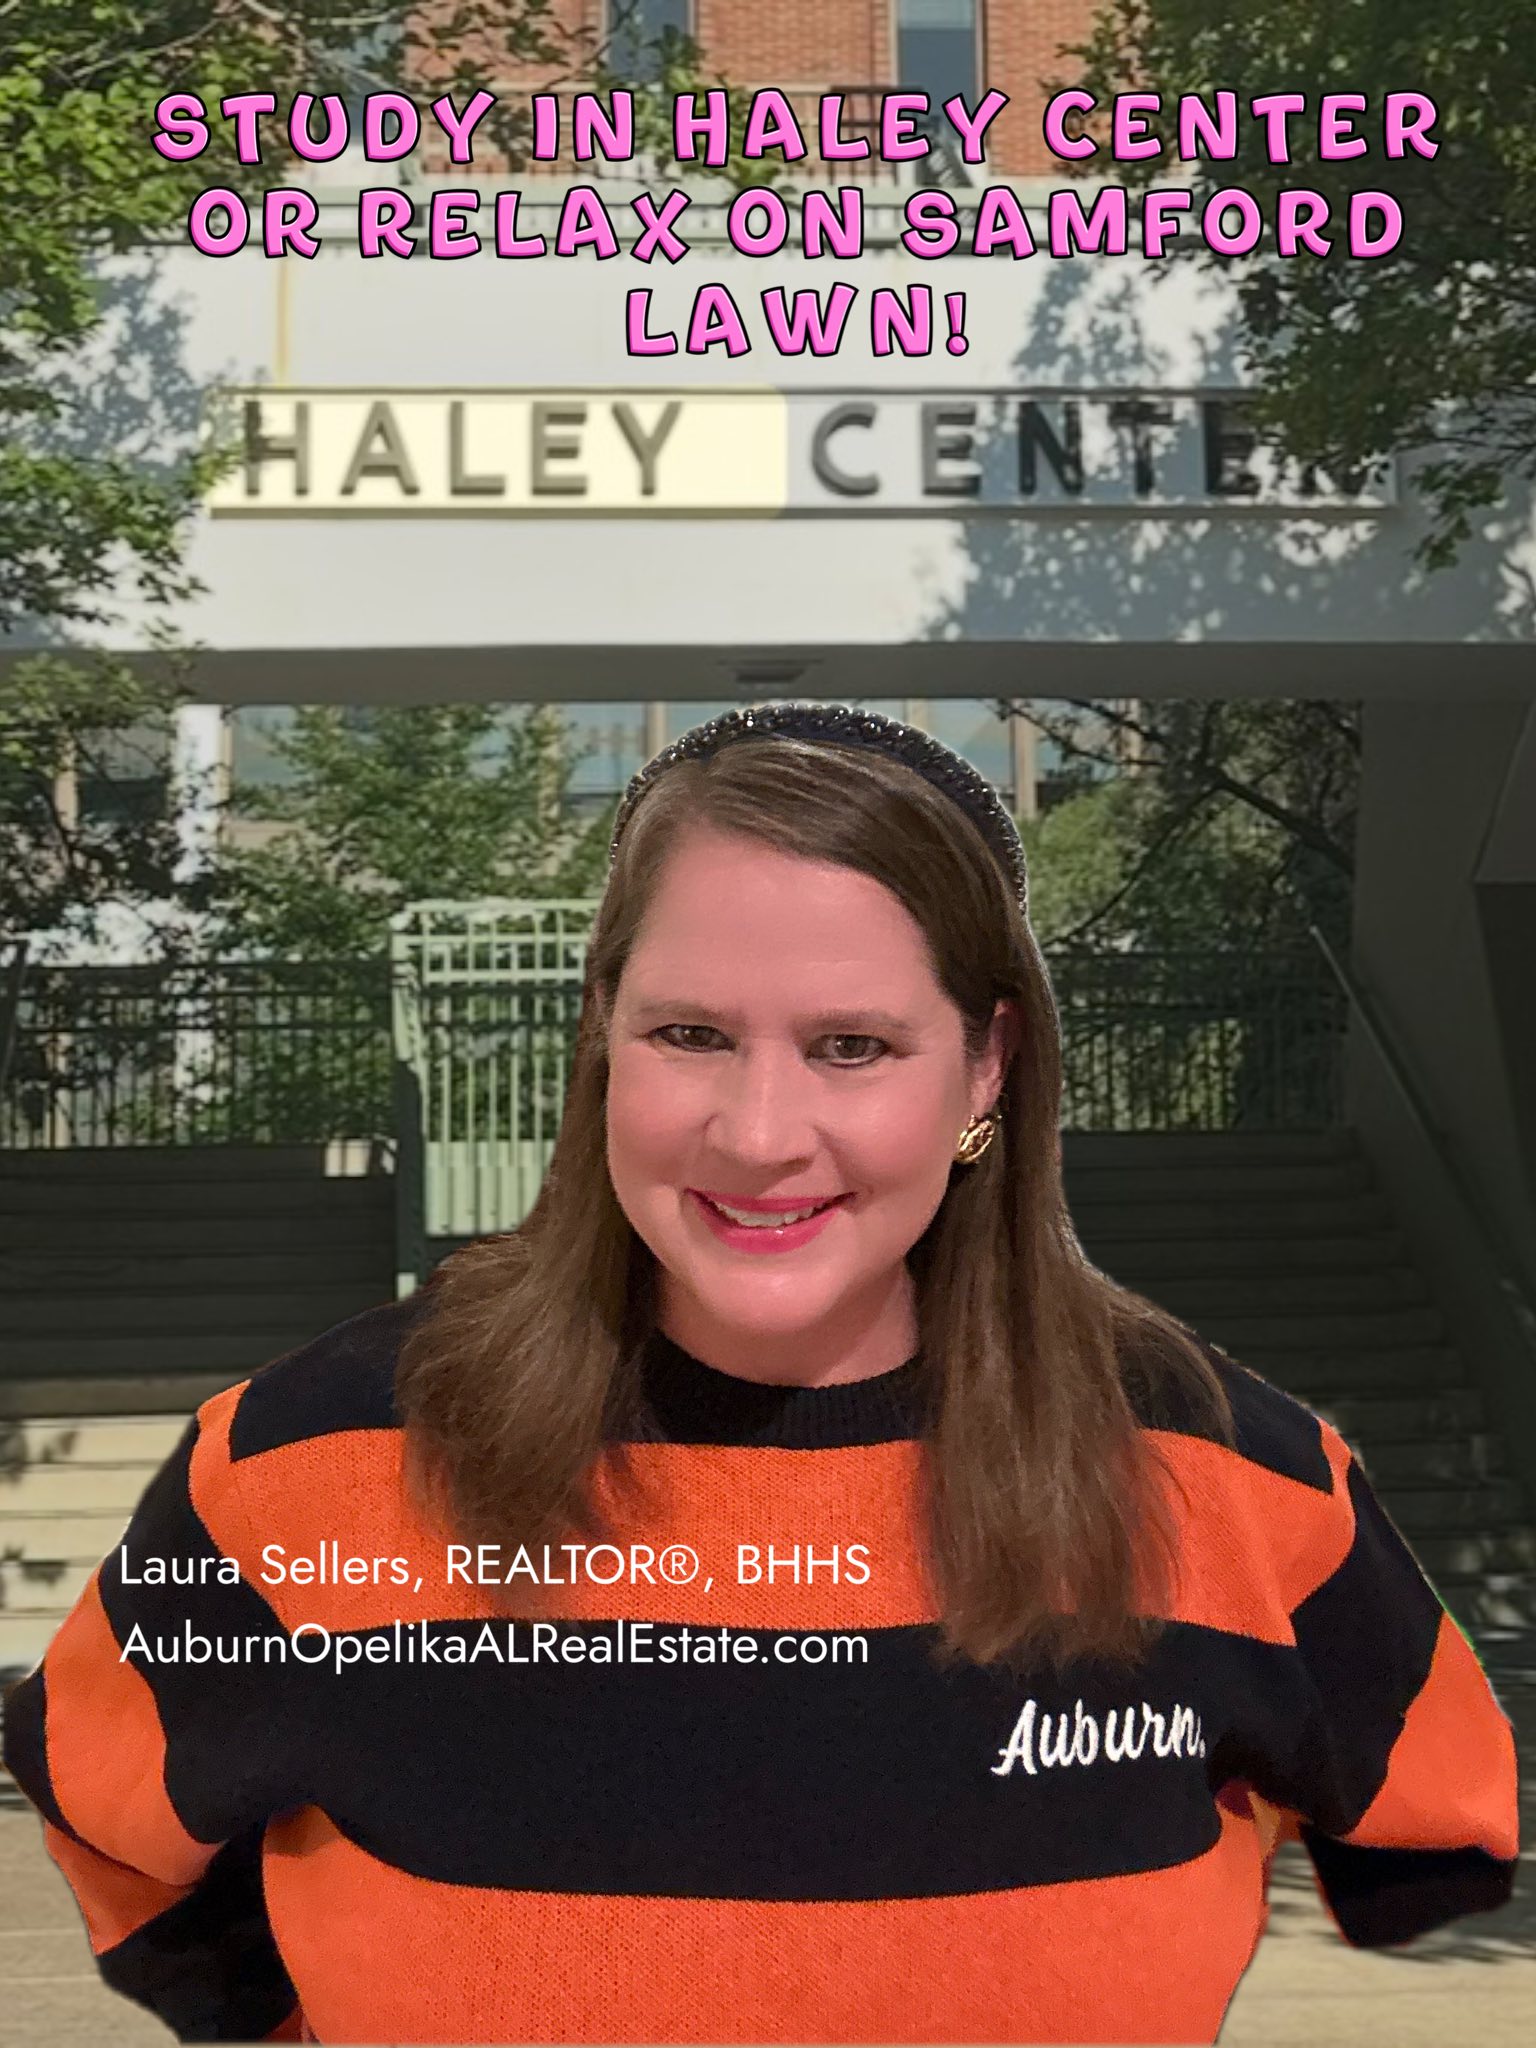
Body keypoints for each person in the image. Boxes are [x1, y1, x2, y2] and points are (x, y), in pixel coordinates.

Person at [1, 702, 1519, 2046]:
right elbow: (100, 1809)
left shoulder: (1231, 1481)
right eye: (689, 1034)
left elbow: (1437, 1838)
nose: (758, 1132)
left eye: (853, 1045)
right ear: (603, 1037)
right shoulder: (303, 1463)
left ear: (987, 1067)